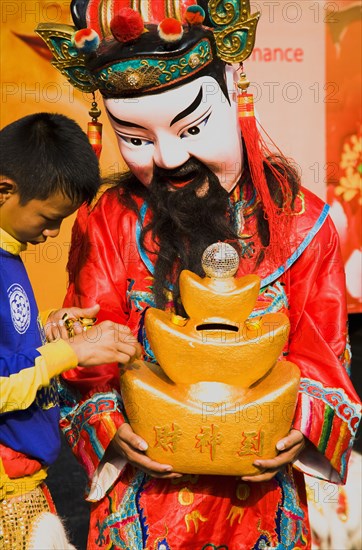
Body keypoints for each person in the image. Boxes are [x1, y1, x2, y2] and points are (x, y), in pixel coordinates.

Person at [37, 1, 361, 548]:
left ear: (236, 94)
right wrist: (111, 424)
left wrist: (299, 427)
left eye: (191, 126)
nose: (167, 158)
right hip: (145, 494)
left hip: (260, 494)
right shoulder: (110, 219)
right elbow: (92, 338)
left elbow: (322, 349)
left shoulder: (299, 221)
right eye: (135, 139)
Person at [0, 112, 140, 550]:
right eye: (48, 216)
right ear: (5, 189)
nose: (54, 231)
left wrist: (50, 337)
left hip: (27, 478)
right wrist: (72, 353)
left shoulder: (10, 254)